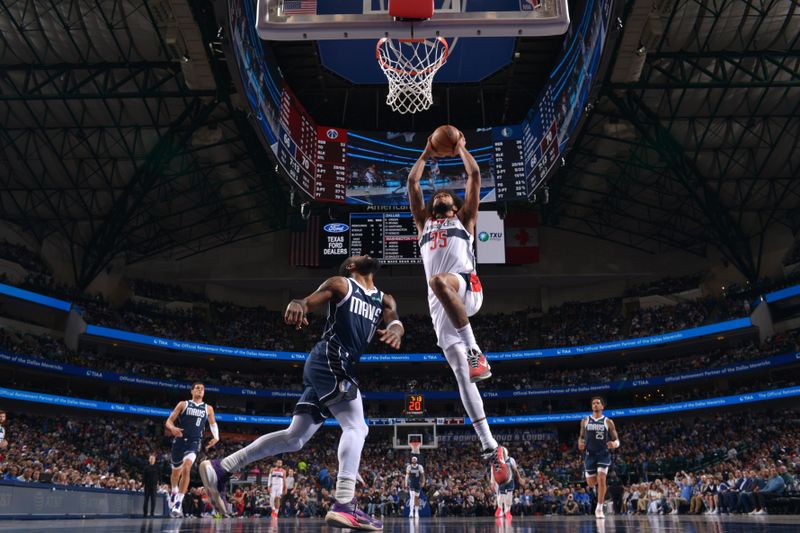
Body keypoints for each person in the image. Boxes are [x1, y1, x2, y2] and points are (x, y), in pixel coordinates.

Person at [199, 255, 404, 531]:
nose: (366, 254)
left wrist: (396, 329)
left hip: (333, 365)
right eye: (358, 255)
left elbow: (393, 318)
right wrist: (300, 303)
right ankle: (344, 503)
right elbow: (309, 300)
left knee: (295, 437)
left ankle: (223, 466)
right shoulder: (342, 284)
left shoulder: (384, 298)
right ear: (351, 266)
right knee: (357, 427)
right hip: (331, 358)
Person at [407, 130, 510, 484]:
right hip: (442, 308)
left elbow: (475, 176)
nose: (441, 194)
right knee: (463, 378)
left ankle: (476, 350)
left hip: (467, 287)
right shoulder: (423, 223)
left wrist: (461, 147)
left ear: (455, 205)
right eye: (439, 194)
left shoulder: (464, 219)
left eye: (447, 194)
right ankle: (491, 448)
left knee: (439, 282)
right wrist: (426, 150)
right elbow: (413, 183)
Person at [164, 382, 219, 517]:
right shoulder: (183, 404)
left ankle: (178, 502)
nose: (200, 390)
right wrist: (172, 428)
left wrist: (216, 437)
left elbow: (213, 423)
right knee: (175, 473)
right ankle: (174, 491)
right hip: (180, 440)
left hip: (195, 441)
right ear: (192, 391)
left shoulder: (208, 408)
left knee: (187, 468)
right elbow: (169, 421)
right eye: (197, 388)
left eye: (202, 389)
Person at [578, 396, 620, 519]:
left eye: (598, 403)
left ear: (602, 406)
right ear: (592, 406)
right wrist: (580, 443)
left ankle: (599, 508)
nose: (595, 405)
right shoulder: (585, 420)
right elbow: (581, 436)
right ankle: (598, 486)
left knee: (602, 478)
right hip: (589, 455)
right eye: (593, 403)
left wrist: (615, 444)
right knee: (591, 483)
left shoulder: (608, 421)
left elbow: (616, 439)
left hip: (603, 453)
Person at [491, 447, 525, 520]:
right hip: (501, 481)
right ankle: (500, 509)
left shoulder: (511, 460)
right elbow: (493, 472)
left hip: (510, 480)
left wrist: (519, 478)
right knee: (501, 496)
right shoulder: (497, 460)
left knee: (509, 497)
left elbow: (515, 470)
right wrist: (492, 482)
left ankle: (507, 511)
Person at [142, 453, 161, 517]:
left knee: (153, 500)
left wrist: (159, 483)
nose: (152, 460)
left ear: (155, 460)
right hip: (147, 485)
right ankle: (145, 513)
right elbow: (143, 476)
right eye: (151, 458)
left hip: (154, 486)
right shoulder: (146, 467)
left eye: (153, 459)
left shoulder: (157, 467)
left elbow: (159, 476)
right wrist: (143, 484)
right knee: (146, 500)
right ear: (149, 460)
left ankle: (152, 513)